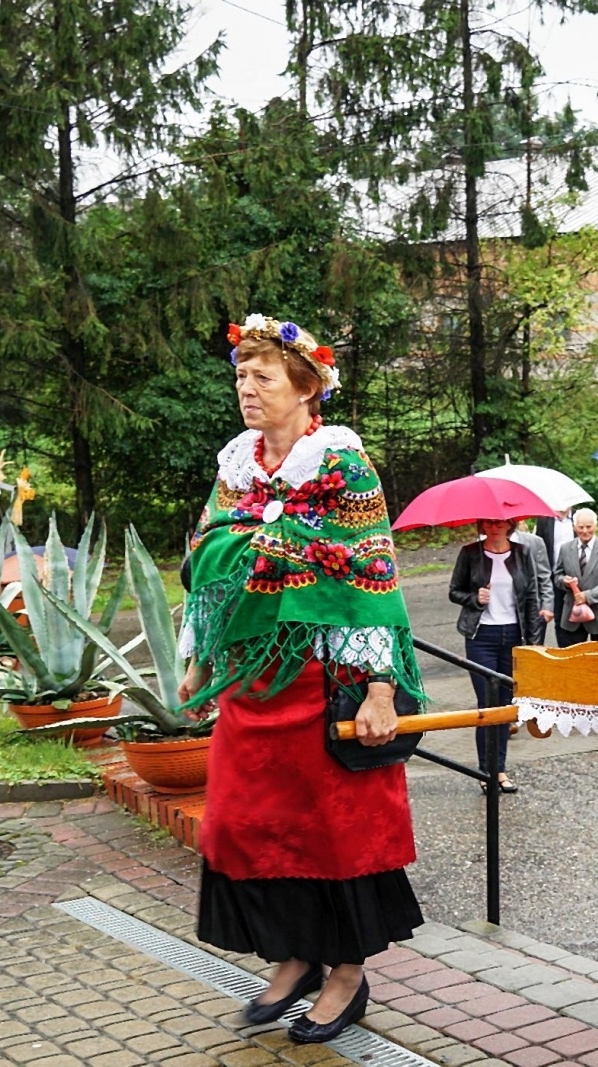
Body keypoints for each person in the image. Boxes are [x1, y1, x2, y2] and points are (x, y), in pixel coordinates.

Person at [179, 314, 426, 1044]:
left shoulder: (341, 467)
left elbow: (370, 572)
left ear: (306, 387)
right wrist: (200, 663)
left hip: (325, 679)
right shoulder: (237, 469)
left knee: (331, 835)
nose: (246, 389)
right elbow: (206, 571)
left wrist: (380, 688)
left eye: (261, 376)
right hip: (250, 685)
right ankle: (294, 958)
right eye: (240, 377)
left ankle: (345, 972)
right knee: (248, 825)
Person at [449, 518, 554, 793]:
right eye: (488, 524)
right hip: (481, 636)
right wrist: (474, 598)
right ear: (482, 526)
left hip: (513, 635)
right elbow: (454, 591)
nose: (494, 528)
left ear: (510, 525)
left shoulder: (522, 553)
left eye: (499, 523)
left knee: (505, 707)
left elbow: (531, 598)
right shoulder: (470, 553)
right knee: (487, 704)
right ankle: (486, 772)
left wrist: (533, 642)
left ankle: (500, 771)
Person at [552, 507, 598, 646]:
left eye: (588, 527)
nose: (584, 531)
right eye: (580, 527)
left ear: (596, 526)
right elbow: (557, 575)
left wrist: (587, 596)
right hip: (572, 616)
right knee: (571, 663)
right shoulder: (565, 548)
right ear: (574, 526)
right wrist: (564, 581)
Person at [534, 509, 574, 582]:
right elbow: (538, 547)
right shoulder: (544, 519)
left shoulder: (579, 517)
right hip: (550, 574)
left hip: (574, 576)